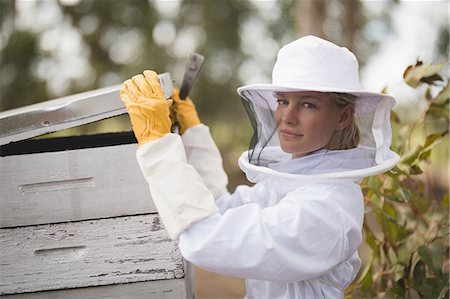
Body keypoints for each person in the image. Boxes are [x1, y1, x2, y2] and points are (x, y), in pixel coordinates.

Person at [119, 35, 400, 299]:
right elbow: (219, 207)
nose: (287, 117)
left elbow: (203, 239)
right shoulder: (298, 184)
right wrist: (193, 133)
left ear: (344, 116)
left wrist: (158, 145)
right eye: (282, 101)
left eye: (309, 105)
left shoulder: (326, 209)